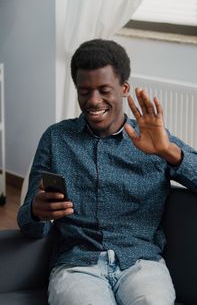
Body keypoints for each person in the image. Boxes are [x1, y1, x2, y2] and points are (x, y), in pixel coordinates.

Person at [17, 39, 197, 305]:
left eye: (104, 90)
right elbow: (29, 224)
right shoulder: (56, 139)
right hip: (77, 265)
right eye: (84, 91)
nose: (93, 101)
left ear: (123, 88)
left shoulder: (153, 139)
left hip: (142, 263)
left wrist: (169, 152)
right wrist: (35, 211)